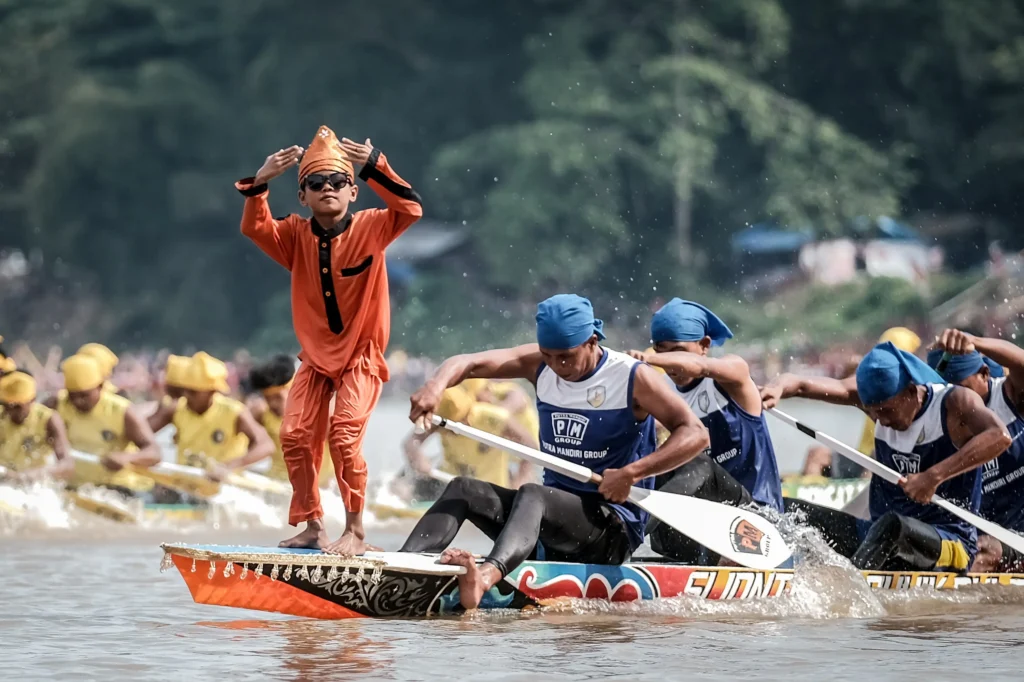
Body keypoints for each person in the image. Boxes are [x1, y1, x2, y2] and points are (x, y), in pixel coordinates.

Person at [402, 294, 710, 609]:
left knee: (533, 493)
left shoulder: (632, 377)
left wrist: (632, 473)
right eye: (548, 355)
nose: (556, 365)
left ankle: (485, 578)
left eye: (565, 356)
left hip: (610, 527)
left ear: (592, 341)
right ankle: (400, 569)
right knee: (463, 489)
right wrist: (435, 387)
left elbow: (696, 433)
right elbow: (466, 363)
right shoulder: (539, 364)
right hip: (548, 522)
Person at [238, 126, 422, 553]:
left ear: (353, 192)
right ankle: (313, 526)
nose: (327, 189)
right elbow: (255, 228)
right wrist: (260, 183)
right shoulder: (294, 236)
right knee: (294, 434)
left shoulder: (374, 227)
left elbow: (410, 207)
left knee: (343, 435)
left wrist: (375, 165)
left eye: (338, 181)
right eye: (316, 183)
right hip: (316, 359)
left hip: (361, 356)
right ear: (302, 196)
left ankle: (356, 531)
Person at [761, 342, 1011, 572]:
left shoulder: (954, 402)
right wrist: (776, 388)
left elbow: (999, 436)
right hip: (878, 536)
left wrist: (933, 477)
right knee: (789, 508)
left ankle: (852, 588)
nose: (882, 421)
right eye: (873, 413)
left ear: (911, 391)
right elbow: (801, 384)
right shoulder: (875, 401)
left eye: (888, 411)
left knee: (894, 527)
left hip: (948, 543)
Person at [629, 298, 783, 562]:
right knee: (651, 461)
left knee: (696, 462)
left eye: (677, 352)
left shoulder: (734, 374)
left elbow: (701, 367)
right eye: (662, 351)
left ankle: (628, 538)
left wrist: (649, 359)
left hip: (755, 524)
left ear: (704, 345)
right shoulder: (663, 393)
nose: (669, 363)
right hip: (702, 528)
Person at [927, 329, 1024, 571]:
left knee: (984, 553)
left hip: (1015, 540)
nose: (954, 399)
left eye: (961, 388)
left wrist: (975, 342)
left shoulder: (1012, 397)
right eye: (945, 392)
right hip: (978, 535)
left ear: (984, 374)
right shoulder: (939, 412)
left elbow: (1021, 363)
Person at [147, 352, 273, 481]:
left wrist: (229, 466)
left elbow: (266, 445)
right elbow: (141, 432)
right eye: (185, 390)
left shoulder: (234, 412)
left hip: (223, 485)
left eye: (193, 392)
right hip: (186, 483)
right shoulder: (176, 409)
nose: (187, 396)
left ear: (211, 392)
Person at [401, 383, 536, 501]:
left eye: (456, 425)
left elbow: (530, 446)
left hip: (490, 489)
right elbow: (410, 443)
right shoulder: (439, 420)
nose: (451, 432)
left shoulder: (493, 417)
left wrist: (518, 486)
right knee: (403, 489)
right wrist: (418, 458)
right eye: (447, 428)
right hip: (448, 482)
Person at [54, 354, 161, 493]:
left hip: (116, 487)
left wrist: (127, 458)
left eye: (84, 395)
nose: (78, 401)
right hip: (74, 487)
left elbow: (154, 452)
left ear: (100, 386)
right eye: (72, 396)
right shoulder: (57, 405)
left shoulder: (122, 410)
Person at [246, 354, 335, 487]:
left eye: (278, 397)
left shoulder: (321, 414)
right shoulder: (260, 413)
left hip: (315, 487)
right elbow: (246, 445)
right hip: (276, 483)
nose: (273, 404)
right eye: (267, 398)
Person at [0, 371, 73, 482]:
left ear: (32, 400)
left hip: (33, 484)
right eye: (7, 406)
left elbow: (67, 465)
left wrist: (30, 475)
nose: (11, 411)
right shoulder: (1, 415)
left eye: (17, 407)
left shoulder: (48, 419)